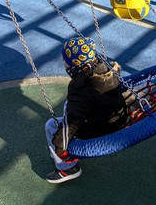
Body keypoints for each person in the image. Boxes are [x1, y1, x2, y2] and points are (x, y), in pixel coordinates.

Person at [44, 37, 128, 183]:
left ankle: (67, 168)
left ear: (75, 66)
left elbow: (73, 121)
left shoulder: (80, 88)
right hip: (119, 118)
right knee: (75, 106)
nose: (64, 63)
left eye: (66, 61)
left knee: (51, 125)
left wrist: (60, 148)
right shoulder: (107, 69)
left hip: (102, 129)